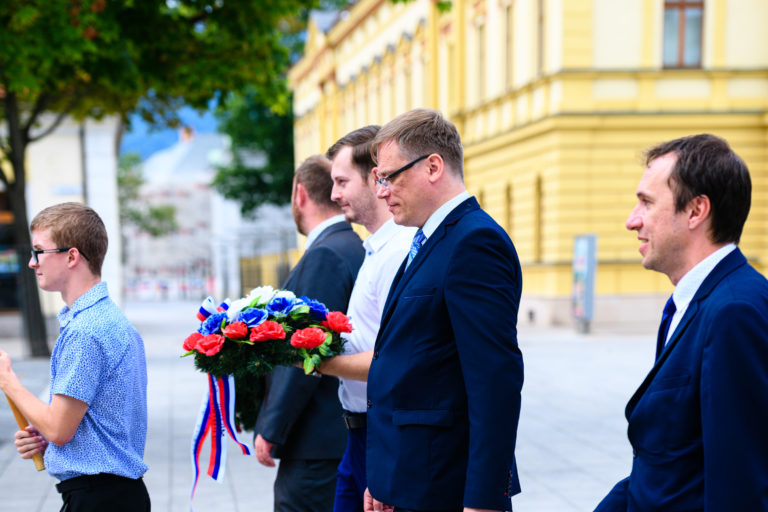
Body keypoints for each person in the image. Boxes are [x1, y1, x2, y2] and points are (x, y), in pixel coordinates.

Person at [594, 134, 768, 511]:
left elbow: (739, 485)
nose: (631, 220)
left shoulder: (733, 313)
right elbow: (670, 465)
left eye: (646, 202)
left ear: (696, 211)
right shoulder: (692, 303)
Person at [365, 108, 524, 512]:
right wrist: (385, 475)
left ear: (433, 166)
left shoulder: (474, 242)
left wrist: (484, 499)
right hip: (413, 477)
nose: (381, 192)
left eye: (388, 177)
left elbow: (494, 382)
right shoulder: (430, 240)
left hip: (446, 488)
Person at [0, 202, 150, 511]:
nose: (32, 262)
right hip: (112, 495)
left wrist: (8, 381)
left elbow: (59, 428)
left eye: (39, 251)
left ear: (71, 256)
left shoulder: (86, 330)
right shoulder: (110, 320)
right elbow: (99, 421)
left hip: (100, 498)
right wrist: (48, 442)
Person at [254, 155, 365, 512]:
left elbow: (306, 350)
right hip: (335, 437)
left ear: (300, 194)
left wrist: (271, 428)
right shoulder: (352, 246)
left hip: (317, 442)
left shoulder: (326, 256)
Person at [319, 126, 415, 512]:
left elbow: (392, 362)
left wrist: (313, 361)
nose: (334, 194)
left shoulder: (396, 252)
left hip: (383, 433)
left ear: (375, 179)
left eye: (341, 181)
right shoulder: (375, 248)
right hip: (360, 434)